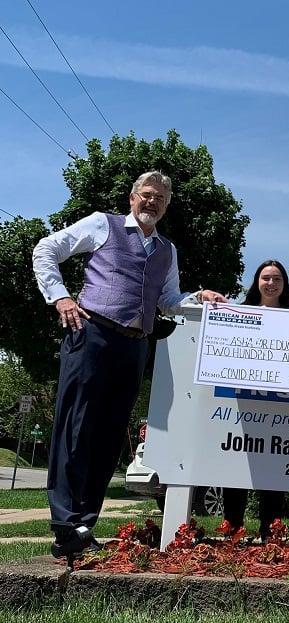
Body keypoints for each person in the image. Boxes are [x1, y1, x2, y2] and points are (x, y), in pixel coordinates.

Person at [32, 170, 228, 558]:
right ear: (132, 197)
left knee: (108, 436)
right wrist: (61, 298)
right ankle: (64, 523)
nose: (152, 202)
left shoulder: (166, 250)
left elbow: (169, 299)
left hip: (135, 345)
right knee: (76, 427)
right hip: (92, 334)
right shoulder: (102, 225)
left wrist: (198, 297)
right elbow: (45, 250)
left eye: (160, 198)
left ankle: (84, 524)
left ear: (166, 206)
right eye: (147, 194)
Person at [221, 260, 289, 540]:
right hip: (242, 404)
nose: (271, 283)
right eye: (265, 278)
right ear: (256, 282)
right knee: (236, 464)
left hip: (279, 405)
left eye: (277, 278)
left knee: (273, 466)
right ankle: (232, 528)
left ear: (284, 284)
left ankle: (271, 531)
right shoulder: (240, 314)